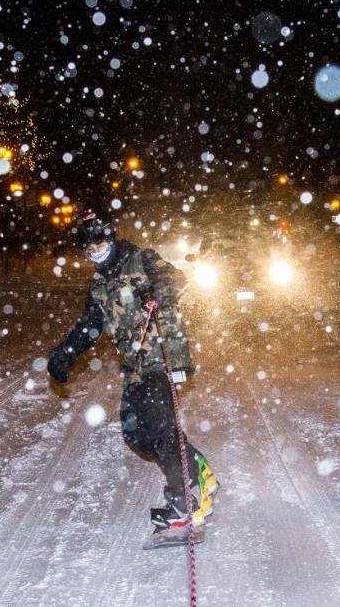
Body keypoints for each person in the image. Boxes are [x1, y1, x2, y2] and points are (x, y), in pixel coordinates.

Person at [46, 213, 218, 533]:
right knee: (135, 432)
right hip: (136, 367)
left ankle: (184, 499)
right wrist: (62, 356)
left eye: (99, 243)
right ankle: (197, 468)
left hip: (163, 357)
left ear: (111, 239)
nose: (95, 251)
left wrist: (158, 293)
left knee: (159, 426)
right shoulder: (99, 288)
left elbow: (175, 278)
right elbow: (88, 328)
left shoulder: (141, 260)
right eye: (88, 248)